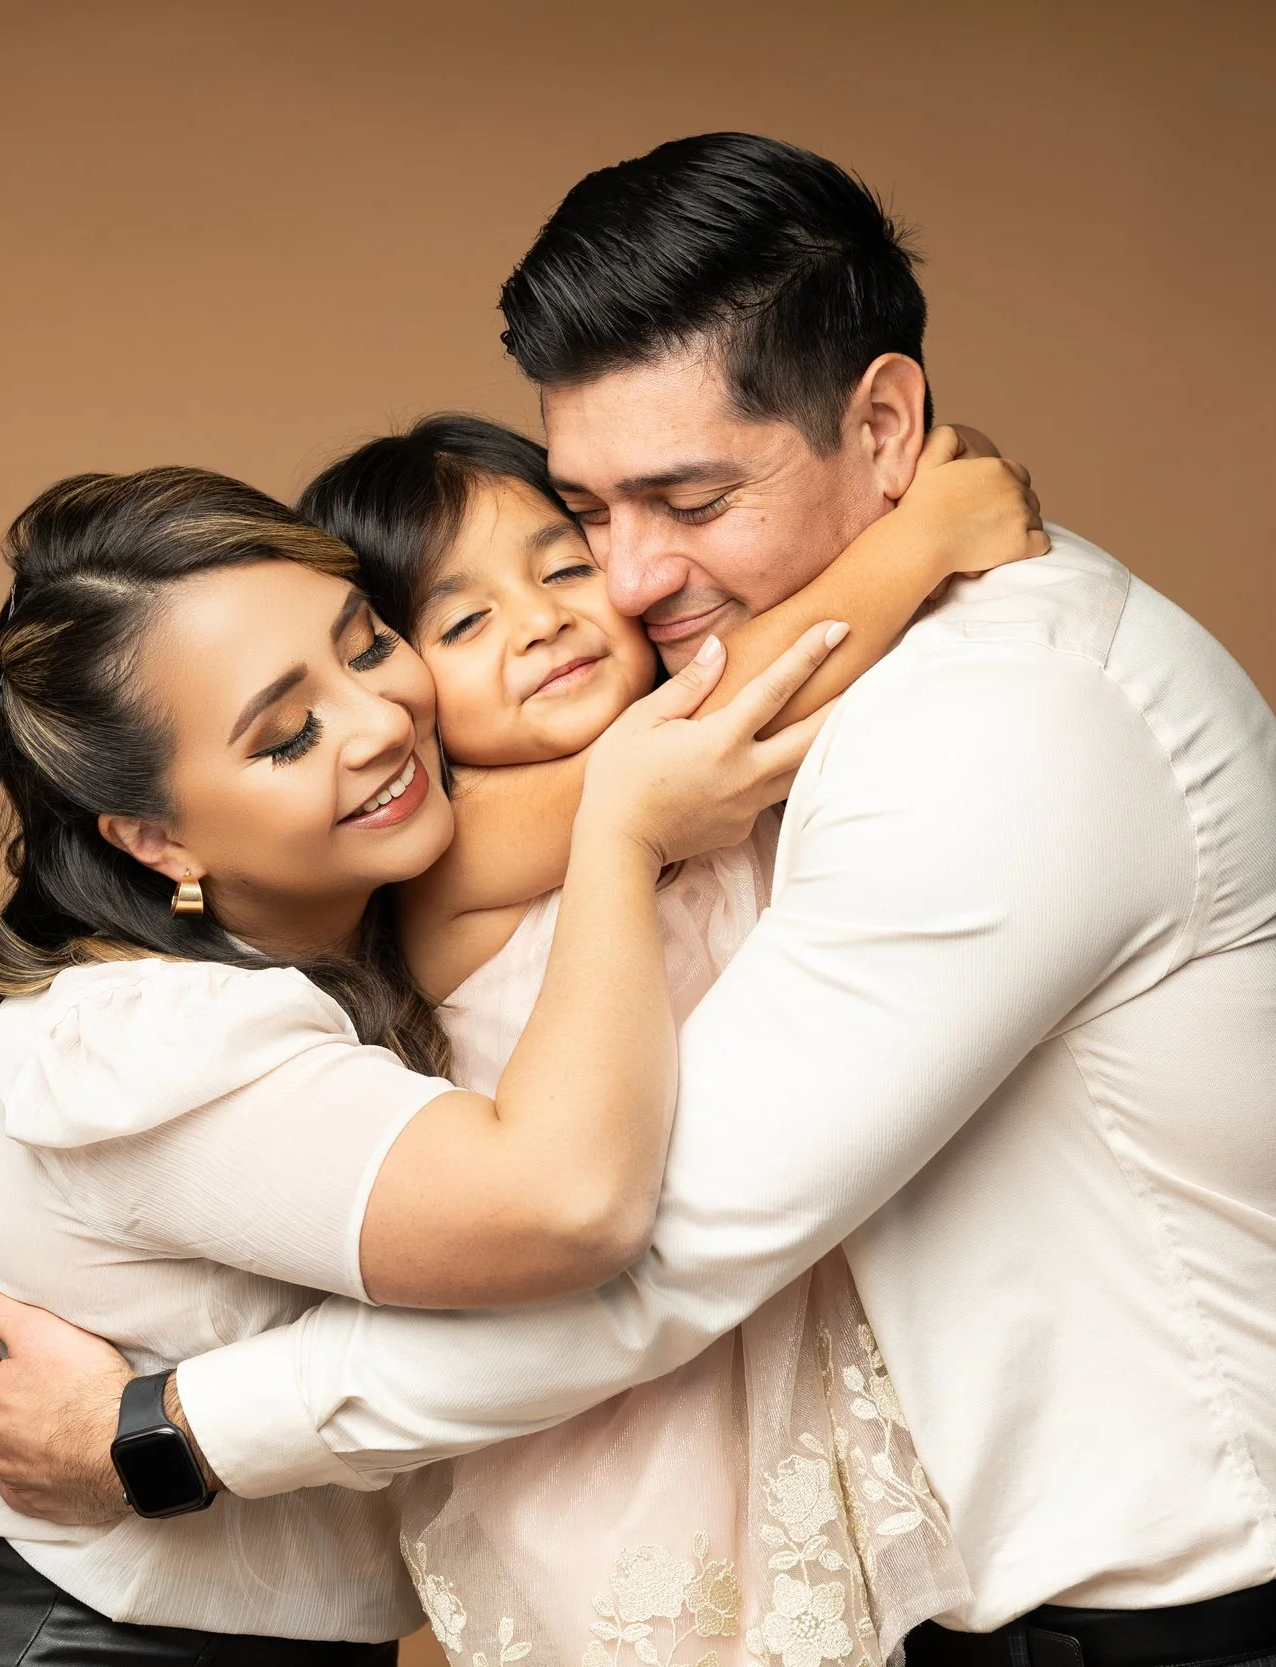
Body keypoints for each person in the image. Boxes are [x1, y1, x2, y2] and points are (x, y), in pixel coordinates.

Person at [0, 133, 1276, 1667]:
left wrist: (170, 1428)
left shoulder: (999, 719)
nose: (633, 580)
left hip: (1176, 1635)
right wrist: (916, 533)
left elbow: (656, 1252)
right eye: (592, 509)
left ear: (883, 418)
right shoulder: (687, 749)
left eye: (688, 497)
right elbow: (693, 743)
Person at [0, 465, 844, 1665]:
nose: (377, 724)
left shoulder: (362, 922)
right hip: (71, 1643)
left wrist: (918, 528)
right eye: (286, 734)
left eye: (367, 647)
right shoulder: (155, 1038)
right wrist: (624, 826)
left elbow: (730, 704)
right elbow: (567, 1208)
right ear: (157, 836)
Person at [295, 412, 1042, 1663]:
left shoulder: (684, 775)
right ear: (396, 684)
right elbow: (758, 680)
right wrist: (930, 532)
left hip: (760, 1334)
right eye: (463, 621)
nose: (538, 620)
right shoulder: (456, 848)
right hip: (610, 1417)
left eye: (565, 565)